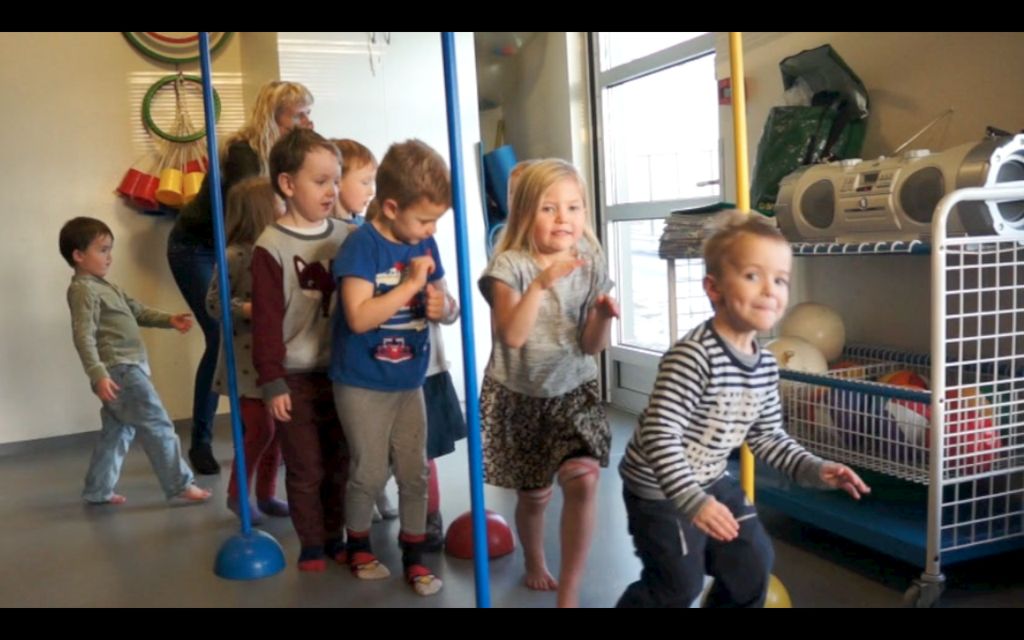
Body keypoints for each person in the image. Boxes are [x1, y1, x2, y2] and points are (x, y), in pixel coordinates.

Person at [616, 210, 871, 608]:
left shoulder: (765, 364)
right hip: (660, 489)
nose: (770, 290)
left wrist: (814, 467)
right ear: (713, 288)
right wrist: (693, 501)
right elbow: (659, 435)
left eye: (780, 279)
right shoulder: (693, 356)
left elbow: (767, 436)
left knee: (752, 565)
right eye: (753, 276)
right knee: (676, 587)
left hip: (709, 477)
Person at [478, 159, 619, 608]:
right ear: (525, 214)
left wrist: (602, 317)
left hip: (573, 389)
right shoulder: (509, 266)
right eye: (549, 208)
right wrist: (540, 285)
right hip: (520, 395)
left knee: (584, 480)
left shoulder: (589, 260)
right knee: (535, 496)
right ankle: (535, 560)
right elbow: (513, 336)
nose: (563, 219)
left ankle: (570, 589)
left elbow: (590, 346)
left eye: (573, 207)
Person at [168, 81, 315, 475]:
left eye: (308, 113)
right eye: (299, 114)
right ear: (274, 116)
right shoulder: (244, 154)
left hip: (237, 246)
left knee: (257, 333)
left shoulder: (282, 154)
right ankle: (201, 441)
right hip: (197, 248)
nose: (307, 121)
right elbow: (250, 212)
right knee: (220, 335)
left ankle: (255, 434)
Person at [331, 139, 450, 596]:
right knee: (369, 471)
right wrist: (411, 285)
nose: (431, 230)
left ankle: (415, 556)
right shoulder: (361, 246)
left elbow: (448, 303)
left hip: (409, 380)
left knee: (415, 471)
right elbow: (359, 317)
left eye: (436, 220)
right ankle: (359, 546)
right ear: (392, 206)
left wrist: (444, 307)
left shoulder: (425, 242)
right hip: (362, 382)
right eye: (424, 220)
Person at [250, 128, 351, 571]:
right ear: (288, 184)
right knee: (306, 466)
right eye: (321, 181)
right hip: (294, 375)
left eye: (337, 181)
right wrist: (272, 381)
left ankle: (335, 534)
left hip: (344, 371)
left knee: (340, 461)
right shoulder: (271, 246)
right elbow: (266, 321)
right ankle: (312, 542)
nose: (332, 191)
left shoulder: (348, 235)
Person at [60, 216, 211, 506]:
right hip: (120, 369)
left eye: (110, 249)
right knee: (157, 423)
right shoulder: (83, 290)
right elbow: (83, 335)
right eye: (102, 250)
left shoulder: (105, 286)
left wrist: (169, 319)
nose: (109, 257)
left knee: (117, 431)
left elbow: (138, 311)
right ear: (78, 255)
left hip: (126, 367)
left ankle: (97, 490)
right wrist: (98, 374)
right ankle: (179, 483)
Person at [205, 177, 289, 524]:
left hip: (273, 358)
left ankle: (267, 494)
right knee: (261, 430)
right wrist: (248, 308)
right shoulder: (235, 256)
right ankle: (237, 495)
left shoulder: (276, 250)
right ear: (262, 210)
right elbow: (213, 303)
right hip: (244, 361)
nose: (285, 206)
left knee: (278, 429)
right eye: (279, 202)